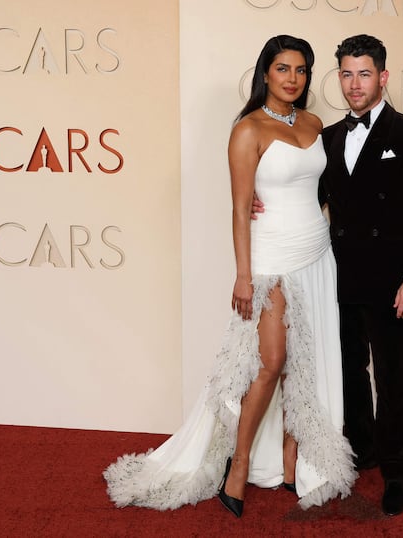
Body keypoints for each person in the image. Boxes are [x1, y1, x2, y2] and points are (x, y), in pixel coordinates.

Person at [103, 35, 355, 518]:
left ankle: (290, 464)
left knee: (306, 361)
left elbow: (318, 187)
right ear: (265, 73)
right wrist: (244, 276)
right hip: (271, 258)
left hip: (317, 252)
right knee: (272, 359)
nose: (293, 79)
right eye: (283, 69)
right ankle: (237, 466)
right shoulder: (247, 129)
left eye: (301, 70)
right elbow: (241, 209)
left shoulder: (314, 123)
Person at [320, 34, 403, 516]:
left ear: (383, 77)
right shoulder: (329, 137)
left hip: (393, 282)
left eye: (365, 74)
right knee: (350, 372)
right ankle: (362, 449)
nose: (355, 84)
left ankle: (396, 470)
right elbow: (312, 201)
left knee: (393, 379)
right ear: (339, 78)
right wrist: (261, 204)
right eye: (347, 74)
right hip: (339, 277)